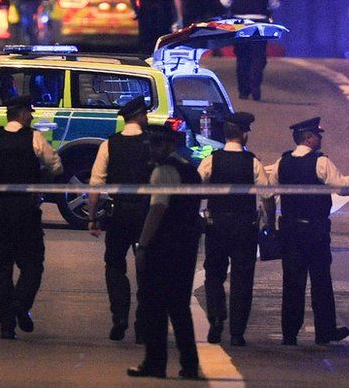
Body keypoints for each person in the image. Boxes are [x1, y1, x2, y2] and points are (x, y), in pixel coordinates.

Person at [0, 95, 64, 340]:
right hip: (27, 211)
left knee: (1, 269)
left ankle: (6, 325)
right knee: (32, 264)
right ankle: (20, 304)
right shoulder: (35, 138)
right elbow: (56, 167)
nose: (32, 116)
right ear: (22, 114)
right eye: (30, 112)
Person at [267, 117, 349, 346]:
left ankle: (289, 333)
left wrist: (270, 223)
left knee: (292, 283)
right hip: (315, 232)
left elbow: (267, 193)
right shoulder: (321, 162)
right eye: (318, 135)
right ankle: (324, 332)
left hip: (289, 230)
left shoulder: (282, 162)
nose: (321, 138)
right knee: (321, 282)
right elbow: (341, 186)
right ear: (309, 138)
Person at [127, 124, 205, 380]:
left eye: (156, 144)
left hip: (162, 248)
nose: (152, 148)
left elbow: (157, 210)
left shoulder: (162, 172)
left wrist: (143, 244)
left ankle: (155, 363)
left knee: (154, 307)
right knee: (180, 309)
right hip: (185, 247)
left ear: (169, 145)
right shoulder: (191, 172)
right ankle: (190, 365)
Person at [198, 111, 274, 347]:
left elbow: (195, 186)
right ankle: (238, 332)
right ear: (243, 134)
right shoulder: (253, 162)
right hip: (244, 226)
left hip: (217, 225)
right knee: (242, 278)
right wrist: (270, 223)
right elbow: (268, 195)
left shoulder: (211, 160)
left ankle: (216, 318)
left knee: (214, 273)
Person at [87, 96, 152, 342]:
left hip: (118, 213)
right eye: (144, 114)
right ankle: (143, 325)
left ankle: (120, 316)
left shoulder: (109, 145)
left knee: (115, 265)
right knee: (146, 269)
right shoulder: (151, 144)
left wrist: (92, 218)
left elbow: (95, 185)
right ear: (138, 116)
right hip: (146, 213)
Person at [219, 0, 280, 101]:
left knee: (242, 56)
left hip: (241, 24)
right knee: (258, 57)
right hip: (259, 23)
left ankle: (243, 91)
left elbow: (224, 1)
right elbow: (274, 3)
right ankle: (255, 83)